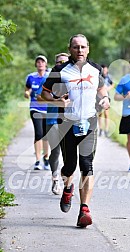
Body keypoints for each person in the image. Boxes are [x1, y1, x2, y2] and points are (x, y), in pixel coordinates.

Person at [41, 34, 110, 227]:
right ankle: (68, 187)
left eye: (83, 47)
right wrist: (57, 100)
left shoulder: (95, 70)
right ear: (70, 49)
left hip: (89, 123)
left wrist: (106, 100)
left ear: (88, 48)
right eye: (75, 47)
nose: (79, 50)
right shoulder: (60, 70)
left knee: (87, 165)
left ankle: (84, 210)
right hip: (67, 124)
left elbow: (102, 90)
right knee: (69, 167)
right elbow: (44, 93)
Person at [36, 53, 69, 195]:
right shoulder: (48, 78)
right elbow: (38, 98)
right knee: (55, 152)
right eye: (59, 62)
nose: (61, 64)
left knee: (70, 152)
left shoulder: (72, 79)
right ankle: (55, 178)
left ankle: (68, 182)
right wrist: (56, 101)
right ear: (55, 64)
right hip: (53, 118)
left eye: (64, 62)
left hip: (69, 120)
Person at [24, 55, 50, 170]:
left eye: (42, 62)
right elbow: (27, 88)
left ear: (46, 64)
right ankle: (38, 160)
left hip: (47, 109)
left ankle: (46, 159)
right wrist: (27, 93)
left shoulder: (49, 77)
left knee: (46, 135)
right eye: (38, 62)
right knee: (38, 133)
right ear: (36, 64)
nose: (40, 64)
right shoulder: (30, 77)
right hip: (35, 108)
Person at [98, 64, 114, 137]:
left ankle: (106, 129)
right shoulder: (99, 77)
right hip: (99, 98)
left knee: (106, 114)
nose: (104, 71)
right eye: (103, 70)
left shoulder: (109, 77)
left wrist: (108, 88)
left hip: (107, 97)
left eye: (105, 70)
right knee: (100, 114)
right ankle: (100, 129)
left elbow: (113, 84)